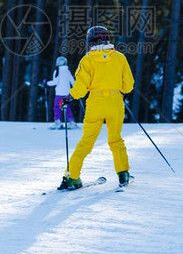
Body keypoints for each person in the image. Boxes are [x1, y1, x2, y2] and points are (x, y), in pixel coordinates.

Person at [57, 26, 134, 190]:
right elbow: (128, 86)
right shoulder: (120, 58)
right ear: (107, 39)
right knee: (115, 140)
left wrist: (69, 98)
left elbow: (80, 87)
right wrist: (121, 92)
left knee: (86, 142)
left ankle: (71, 177)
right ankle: (123, 174)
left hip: (95, 103)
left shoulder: (87, 60)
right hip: (115, 103)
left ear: (90, 41)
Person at [46, 56, 76, 129]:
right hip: (66, 93)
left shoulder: (57, 71)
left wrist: (47, 83)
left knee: (57, 107)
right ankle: (71, 122)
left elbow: (55, 82)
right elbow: (72, 81)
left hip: (59, 93)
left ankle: (57, 122)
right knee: (67, 107)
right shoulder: (67, 71)